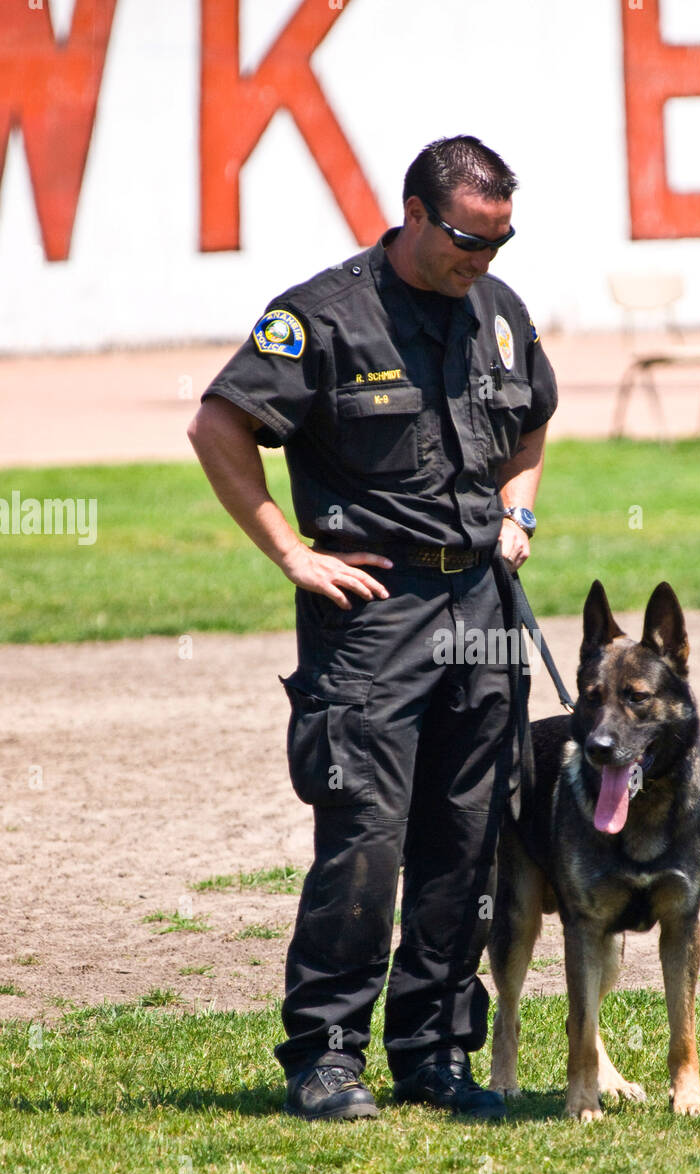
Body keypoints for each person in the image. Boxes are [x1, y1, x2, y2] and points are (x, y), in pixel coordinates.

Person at [187, 135, 557, 1122]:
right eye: (467, 238)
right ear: (412, 212)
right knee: (365, 840)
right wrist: (289, 552)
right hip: (372, 614)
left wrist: (515, 514)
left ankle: (433, 1054)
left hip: (479, 605)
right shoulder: (321, 316)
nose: (483, 258)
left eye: (500, 240)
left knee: (465, 841)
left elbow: (531, 421)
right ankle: (325, 1055)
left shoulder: (500, 313)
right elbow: (217, 425)